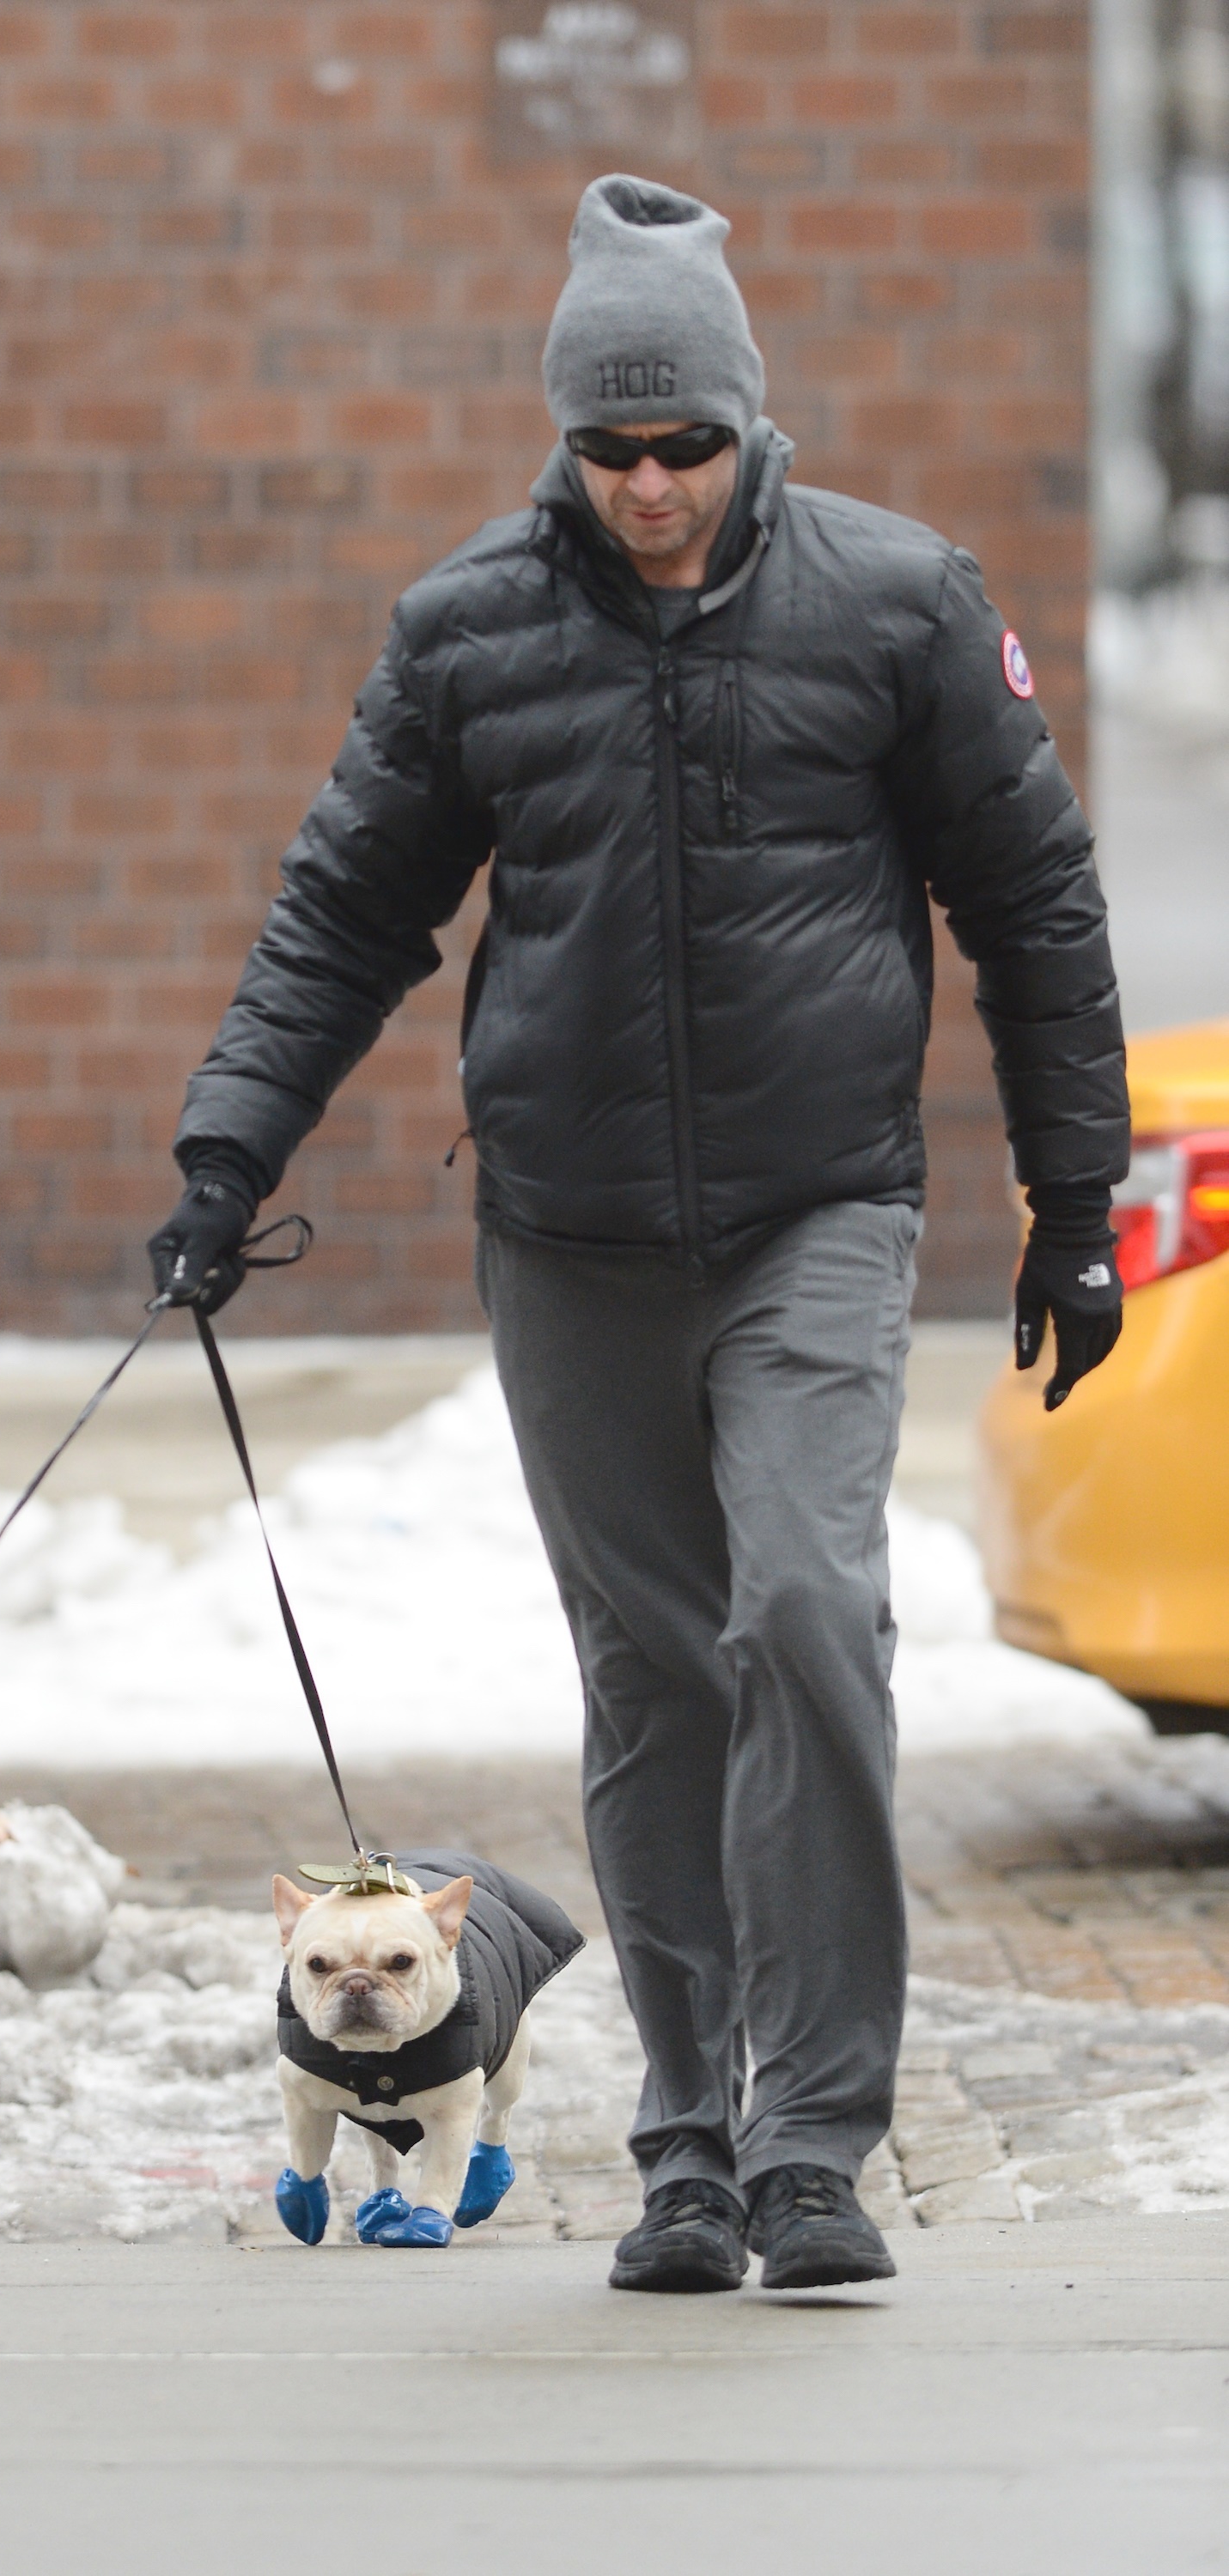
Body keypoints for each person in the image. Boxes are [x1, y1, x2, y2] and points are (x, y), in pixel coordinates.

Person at [146, 173, 1129, 2294]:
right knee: (656, 1678)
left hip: (820, 1211)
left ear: (749, 424)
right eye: (614, 449)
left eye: (688, 444)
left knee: (802, 1617)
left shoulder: (901, 600)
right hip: (574, 1232)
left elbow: (1036, 908)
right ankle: (689, 2144)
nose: (654, 485)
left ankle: (816, 2145)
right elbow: (345, 907)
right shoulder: (472, 628)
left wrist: (1073, 1201)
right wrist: (229, 1154)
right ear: (564, 441)